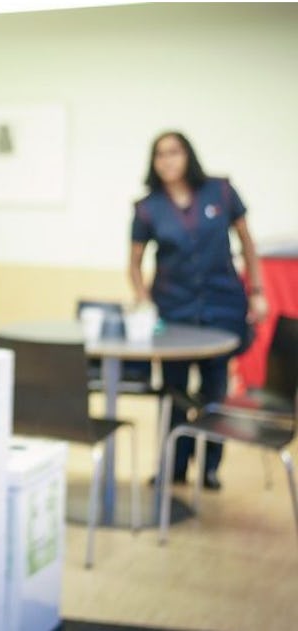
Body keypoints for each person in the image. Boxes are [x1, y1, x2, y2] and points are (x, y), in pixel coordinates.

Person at [129, 131, 268, 490]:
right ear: (153, 162)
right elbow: (134, 263)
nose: (168, 160)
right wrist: (143, 300)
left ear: (188, 155)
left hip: (222, 307)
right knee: (173, 392)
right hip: (173, 310)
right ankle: (172, 466)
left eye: (174, 152)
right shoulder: (147, 207)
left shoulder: (220, 191)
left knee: (214, 392)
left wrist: (257, 291)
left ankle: (209, 467)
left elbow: (247, 242)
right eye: (160, 154)